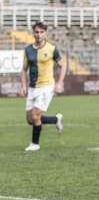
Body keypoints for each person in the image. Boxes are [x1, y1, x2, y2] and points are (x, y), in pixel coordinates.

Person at [19, 21, 65, 151]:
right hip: (33, 88)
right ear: (33, 33)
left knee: (35, 116)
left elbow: (63, 65)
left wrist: (60, 83)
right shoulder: (28, 49)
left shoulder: (51, 48)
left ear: (45, 33)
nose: (39, 35)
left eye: (41, 32)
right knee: (30, 120)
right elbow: (23, 69)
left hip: (47, 86)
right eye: (36, 32)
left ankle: (35, 144)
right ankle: (56, 119)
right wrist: (23, 85)